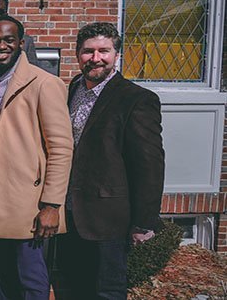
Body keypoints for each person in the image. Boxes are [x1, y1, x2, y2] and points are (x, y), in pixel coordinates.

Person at [56, 22, 165, 300]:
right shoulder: (73, 89)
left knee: (106, 291)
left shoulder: (136, 99)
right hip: (69, 214)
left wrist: (143, 222)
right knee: (71, 287)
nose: (95, 58)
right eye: (87, 51)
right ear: (77, 54)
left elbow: (149, 164)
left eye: (103, 50)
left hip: (109, 218)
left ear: (117, 54)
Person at [0, 15, 73, 300]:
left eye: (8, 40)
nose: (1, 45)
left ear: (22, 43)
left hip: (30, 203)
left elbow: (61, 148)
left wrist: (52, 204)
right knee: (1, 276)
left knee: (32, 279)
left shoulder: (44, 83)